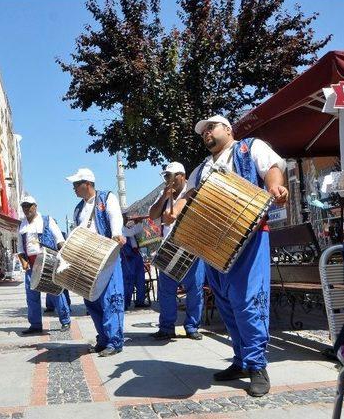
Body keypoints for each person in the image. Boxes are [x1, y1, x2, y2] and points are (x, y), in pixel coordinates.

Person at [169, 115, 288, 397]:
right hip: (213, 243)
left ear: (227, 129)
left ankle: (258, 365)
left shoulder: (249, 147)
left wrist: (274, 186)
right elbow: (188, 194)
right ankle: (241, 360)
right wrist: (177, 210)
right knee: (226, 304)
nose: (206, 133)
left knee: (248, 301)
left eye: (211, 127)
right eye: (202, 132)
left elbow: (272, 167)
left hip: (250, 235)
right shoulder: (201, 168)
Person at [68, 168, 125, 357]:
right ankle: (103, 338)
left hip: (107, 257)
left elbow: (115, 216)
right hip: (87, 260)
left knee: (111, 299)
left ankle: (114, 341)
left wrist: (116, 233)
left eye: (76, 184)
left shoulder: (106, 198)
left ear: (88, 184)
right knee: (92, 301)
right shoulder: (78, 208)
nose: (74, 188)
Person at [148, 162, 205, 341]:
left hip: (192, 247)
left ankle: (191, 326)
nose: (168, 180)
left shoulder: (194, 190)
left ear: (182, 175)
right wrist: (164, 197)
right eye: (166, 177)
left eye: (171, 176)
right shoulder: (164, 194)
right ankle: (166, 327)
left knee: (194, 289)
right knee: (166, 291)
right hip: (169, 248)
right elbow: (152, 215)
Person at [17, 195, 72, 333]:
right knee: (31, 297)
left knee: (55, 292)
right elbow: (20, 249)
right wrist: (23, 262)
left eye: (29, 205)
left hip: (48, 263)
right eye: (24, 206)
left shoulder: (47, 220)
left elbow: (60, 240)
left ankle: (65, 321)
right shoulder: (21, 225)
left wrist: (64, 257)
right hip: (31, 265)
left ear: (35, 206)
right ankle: (35, 325)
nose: (26, 208)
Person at [120, 214, 147, 310]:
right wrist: (137, 222)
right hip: (127, 256)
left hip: (136, 255)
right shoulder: (119, 229)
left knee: (140, 278)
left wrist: (138, 222)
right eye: (124, 217)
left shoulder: (128, 227)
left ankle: (140, 301)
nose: (127, 218)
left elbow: (137, 231)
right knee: (128, 280)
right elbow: (130, 232)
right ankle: (125, 303)